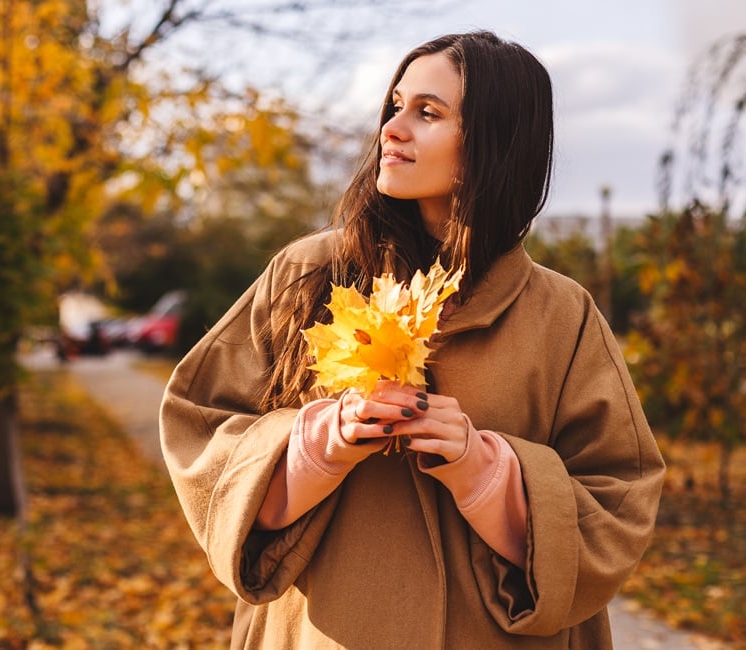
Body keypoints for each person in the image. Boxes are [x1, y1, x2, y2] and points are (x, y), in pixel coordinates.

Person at [160, 30, 665, 649]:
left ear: (494, 142)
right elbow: (198, 424)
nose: (391, 129)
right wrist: (316, 445)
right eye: (395, 106)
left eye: (427, 113)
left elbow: (619, 498)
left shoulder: (563, 315)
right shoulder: (305, 275)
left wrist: (488, 471)